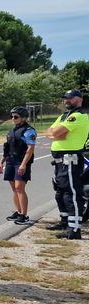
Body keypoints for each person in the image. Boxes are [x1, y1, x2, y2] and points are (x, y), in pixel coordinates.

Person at [45, 89, 89, 239]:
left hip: (70, 160)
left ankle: (74, 229)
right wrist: (57, 134)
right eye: (65, 98)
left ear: (79, 99)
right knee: (61, 193)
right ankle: (65, 222)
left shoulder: (78, 116)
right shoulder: (64, 116)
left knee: (72, 194)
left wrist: (57, 134)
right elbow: (49, 132)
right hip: (60, 162)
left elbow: (55, 134)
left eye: (69, 98)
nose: (66, 101)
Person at [0, 106, 37, 225]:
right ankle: (18, 211)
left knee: (20, 188)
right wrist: (1, 162)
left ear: (24, 118)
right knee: (14, 188)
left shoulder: (29, 131)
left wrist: (24, 164)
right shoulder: (12, 131)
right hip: (10, 161)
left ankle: (24, 215)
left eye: (16, 117)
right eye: (12, 116)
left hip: (21, 162)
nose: (13, 118)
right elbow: (7, 148)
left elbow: (30, 148)